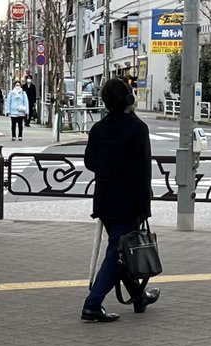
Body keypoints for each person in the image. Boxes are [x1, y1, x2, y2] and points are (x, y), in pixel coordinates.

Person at [81, 78, 159, 322]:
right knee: (116, 252)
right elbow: (142, 171)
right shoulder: (136, 128)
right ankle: (92, 304)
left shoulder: (98, 129)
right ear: (129, 99)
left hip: (104, 199)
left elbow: (90, 162)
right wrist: (144, 207)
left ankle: (139, 296)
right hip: (128, 200)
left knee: (120, 248)